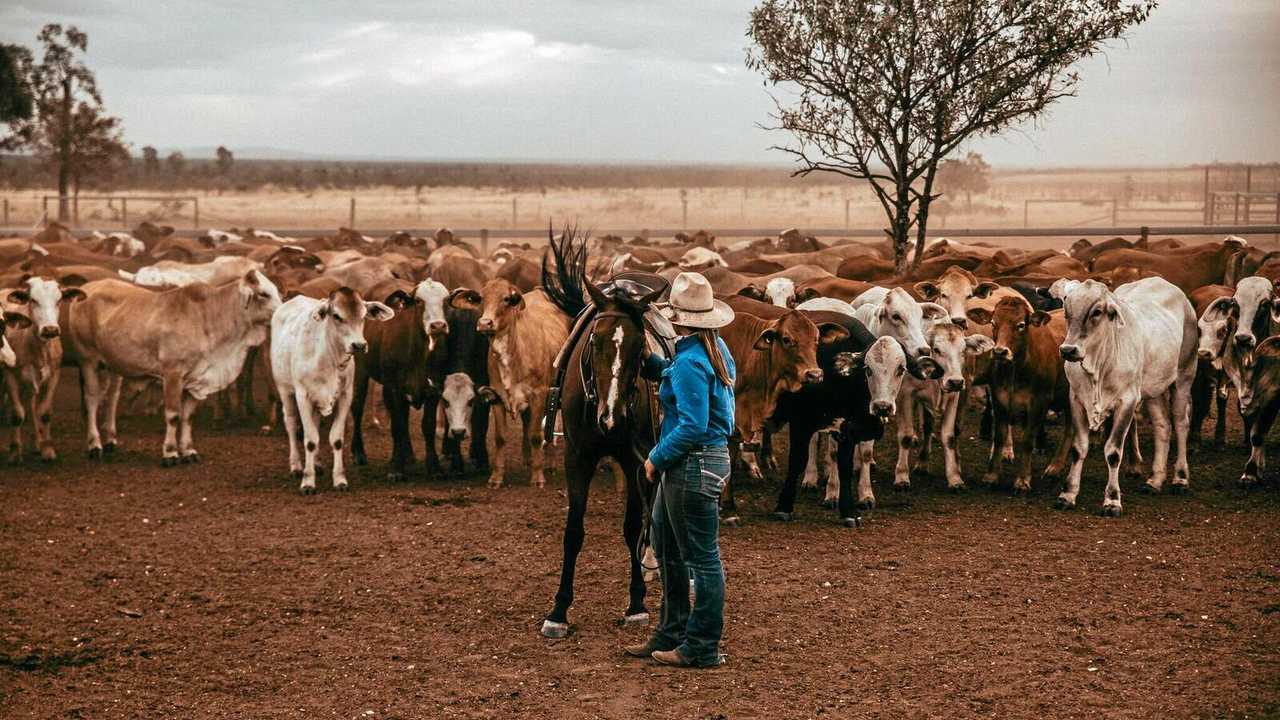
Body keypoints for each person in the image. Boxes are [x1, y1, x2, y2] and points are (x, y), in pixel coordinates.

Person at [624, 272, 736, 668]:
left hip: (691, 464)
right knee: (670, 550)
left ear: (678, 318)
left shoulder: (690, 360)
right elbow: (688, 382)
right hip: (703, 462)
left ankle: (702, 646)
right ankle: (671, 633)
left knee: (702, 559)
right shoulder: (715, 350)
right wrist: (657, 367)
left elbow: (692, 423)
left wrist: (655, 457)